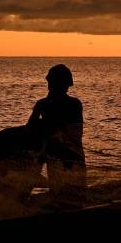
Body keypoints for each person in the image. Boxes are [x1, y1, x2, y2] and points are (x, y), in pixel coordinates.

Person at [28, 64, 86, 206]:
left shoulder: (72, 104)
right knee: (64, 194)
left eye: (52, 83)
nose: (49, 86)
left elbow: (75, 133)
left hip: (69, 155)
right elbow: (30, 129)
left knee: (72, 195)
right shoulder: (43, 104)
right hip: (58, 155)